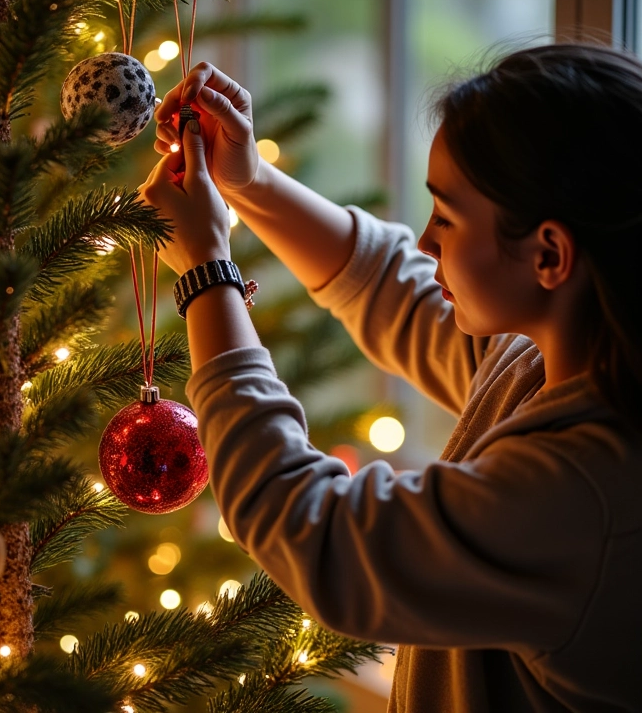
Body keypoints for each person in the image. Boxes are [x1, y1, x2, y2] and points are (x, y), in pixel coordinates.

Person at [139, 43, 642, 712]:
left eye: (448, 217)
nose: (427, 239)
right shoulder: (548, 358)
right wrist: (249, 181)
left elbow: (313, 528)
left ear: (548, 254)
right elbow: (393, 291)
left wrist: (206, 272)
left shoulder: (588, 497)